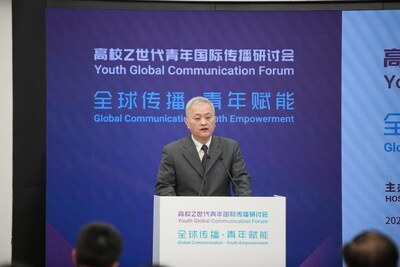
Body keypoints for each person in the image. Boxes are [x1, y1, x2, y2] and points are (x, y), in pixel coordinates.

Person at [155, 96, 252, 196]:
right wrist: (176, 209)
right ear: (187, 123)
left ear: (215, 120)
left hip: (220, 211)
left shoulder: (230, 148)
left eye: (208, 117)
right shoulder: (172, 151)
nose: (203, 122)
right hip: (187, 211)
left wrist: (245, 206)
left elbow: (241, 182)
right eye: (197, 118)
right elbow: (165, 186)